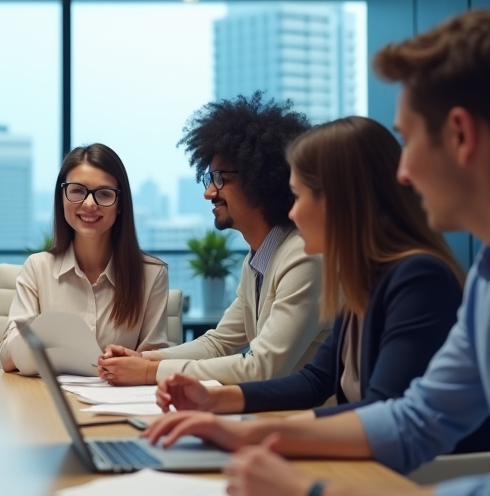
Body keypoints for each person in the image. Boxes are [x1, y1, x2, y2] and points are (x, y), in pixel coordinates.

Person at [145, 9, 490, 496]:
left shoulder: (419, 278)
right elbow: (409, 417)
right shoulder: (479, 280)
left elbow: (397, 422)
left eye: (409, 140)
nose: (403, 173)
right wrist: (234, 423)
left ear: (460, 135)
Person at [158, 116, 477, 425]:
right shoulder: (363, 278)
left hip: (419, 471)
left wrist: (254, 433)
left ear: (340, 200)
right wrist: (215, 401)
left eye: (298, 196)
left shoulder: (417, 278)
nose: (292, 212)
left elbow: (382, 411)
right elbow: (314, 380)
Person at [98, 93, 329, 386]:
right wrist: (143, 360)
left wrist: (148, 374)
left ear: (259, 179)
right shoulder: (258, 260)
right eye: (210, 179)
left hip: (307, 422)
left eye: (220, 178)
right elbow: (218, 343)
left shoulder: (302, 257)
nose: (209, 192)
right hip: (278, 415)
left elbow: (263, 367)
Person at [0, 144, 170, 374]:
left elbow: (155, 362)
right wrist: (41, 333)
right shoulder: (37, 268)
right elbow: (7, 359)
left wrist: (132, 360)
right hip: (47, 401)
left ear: (120, 205)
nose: (89, 204)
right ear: (62, 196)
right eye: (77, 191)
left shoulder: (151, 274)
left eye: (104, 194)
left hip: (119, 403)